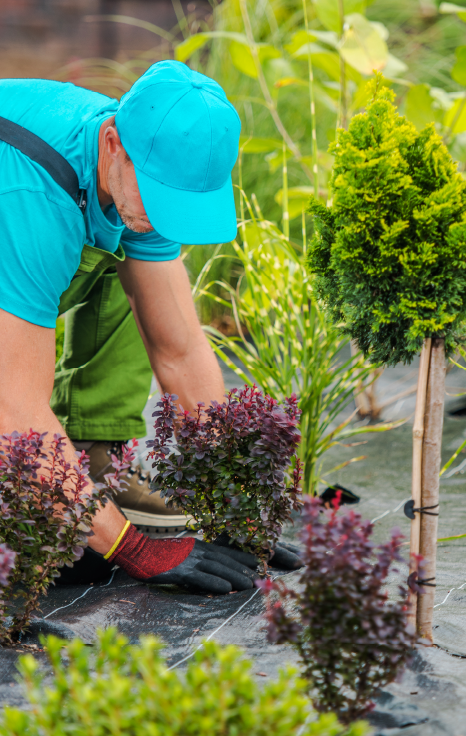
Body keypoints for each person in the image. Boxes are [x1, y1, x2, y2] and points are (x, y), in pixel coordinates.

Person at [0, 60, 301, 593]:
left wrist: (232, 504)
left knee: (132, 276)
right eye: (161, 199)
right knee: (61, 554)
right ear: (113, 144)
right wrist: (130, 547)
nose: (166, 220)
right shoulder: (30, 199)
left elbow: (180, 351)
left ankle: (94, 461)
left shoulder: (136, 173)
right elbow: (15, 410)